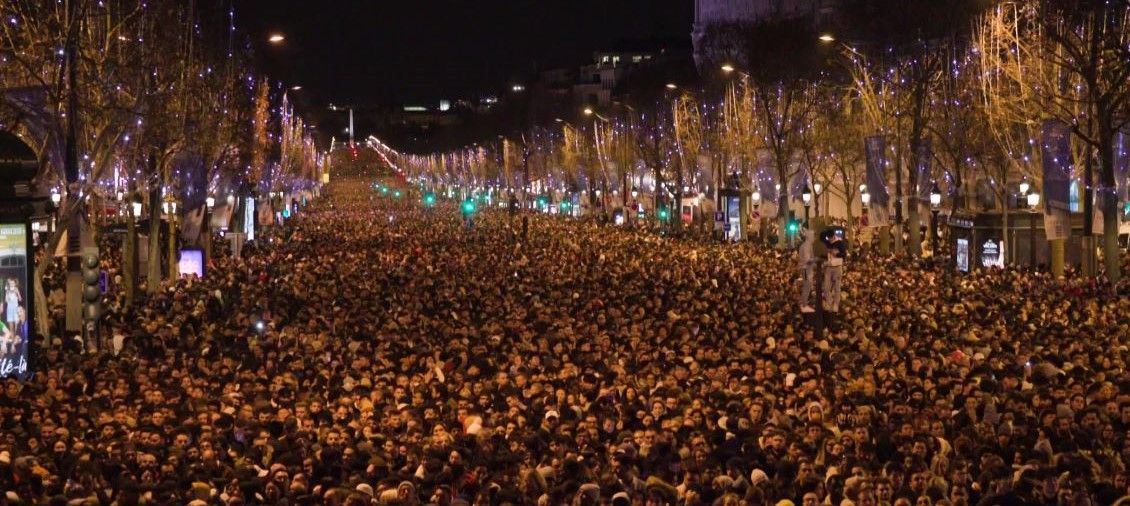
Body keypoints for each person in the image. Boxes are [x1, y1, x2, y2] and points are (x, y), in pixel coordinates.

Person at [797, 228, 815, 313]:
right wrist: (817, 261)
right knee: (807, 286)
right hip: (805, 268)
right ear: (810, 237)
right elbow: (808, 260)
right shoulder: (807, 246)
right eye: (813, 236)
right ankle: (803, 304)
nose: (814, 237)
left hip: (807, 268)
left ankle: (804, 303)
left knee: (807, 286)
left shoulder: (807, 245)